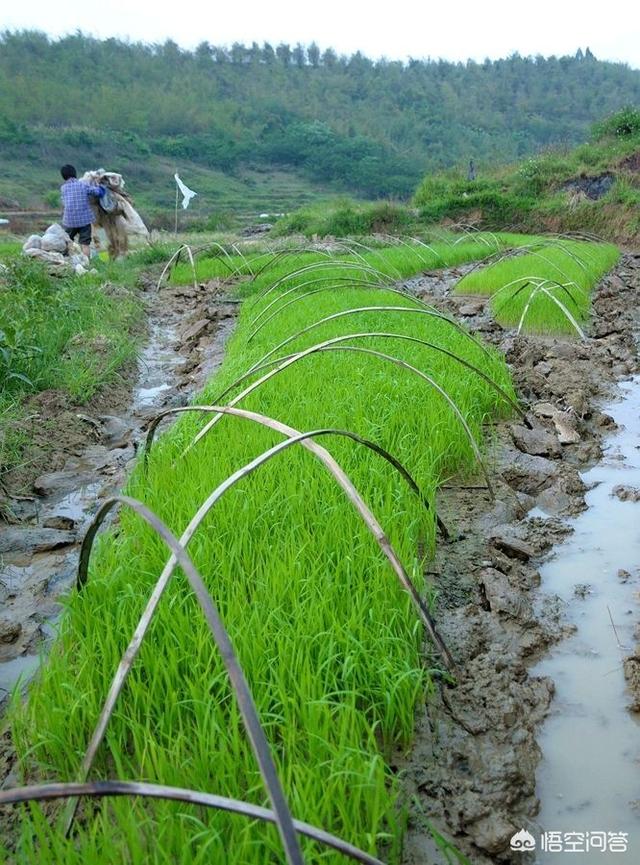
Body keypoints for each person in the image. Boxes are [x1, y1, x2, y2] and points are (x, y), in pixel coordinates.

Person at [59, 164, 105, 258]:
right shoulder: (83, 185)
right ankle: (86, 262)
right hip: (84, 220)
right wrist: (102, 188)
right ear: (75, 174)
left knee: (67, 241)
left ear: (63, 176)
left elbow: (64, 201)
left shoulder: (63, 188)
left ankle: (65, 259)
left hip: (69, 220)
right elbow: (98, 193)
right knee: (85, 244)